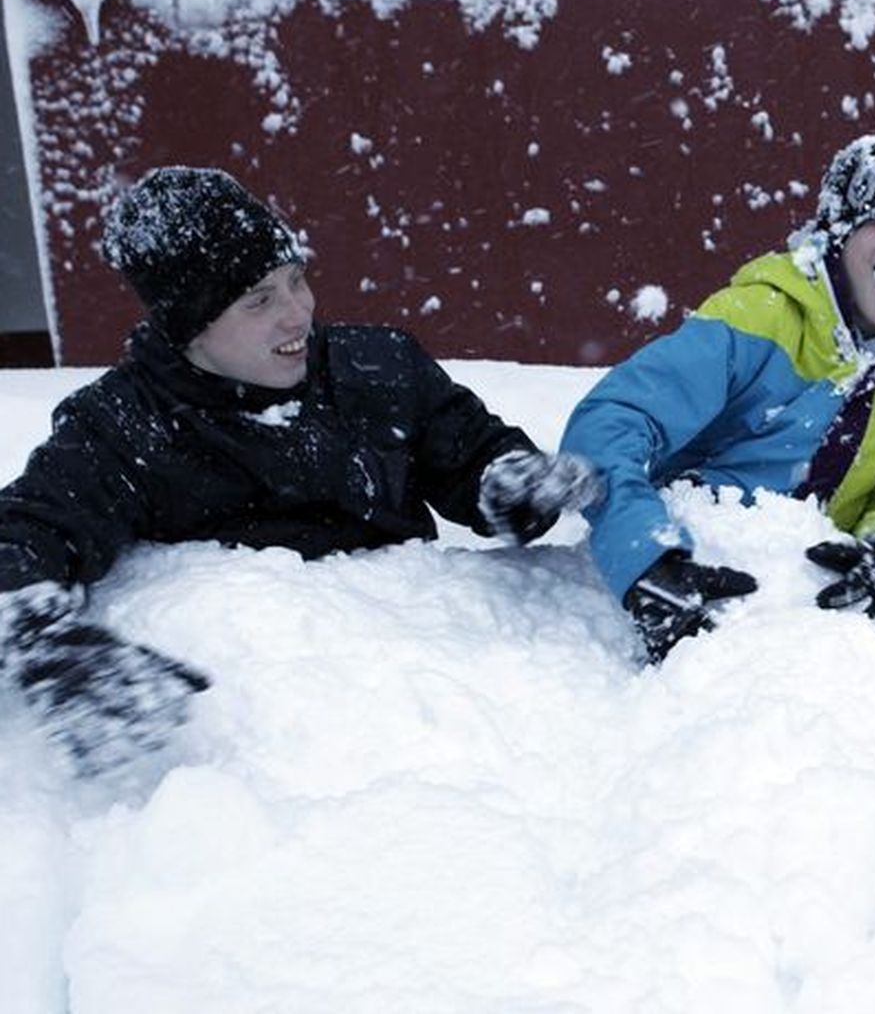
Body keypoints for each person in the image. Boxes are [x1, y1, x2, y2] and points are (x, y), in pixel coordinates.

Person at [0, 166, 600, 775]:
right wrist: (43, 639)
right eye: (260, 300)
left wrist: (514, 486)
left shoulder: (379, 368)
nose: (298, 314)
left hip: (435, 706)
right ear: (189, 328)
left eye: (296, 280)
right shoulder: (125, 428)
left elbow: (474, 457)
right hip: (272, 745)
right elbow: (27, 533)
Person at [560, 132, 875, 663]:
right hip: (690, 577)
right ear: (839, 235)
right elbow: (612, 422)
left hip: (802, 611)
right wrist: (647, 559)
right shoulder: (761, 319)